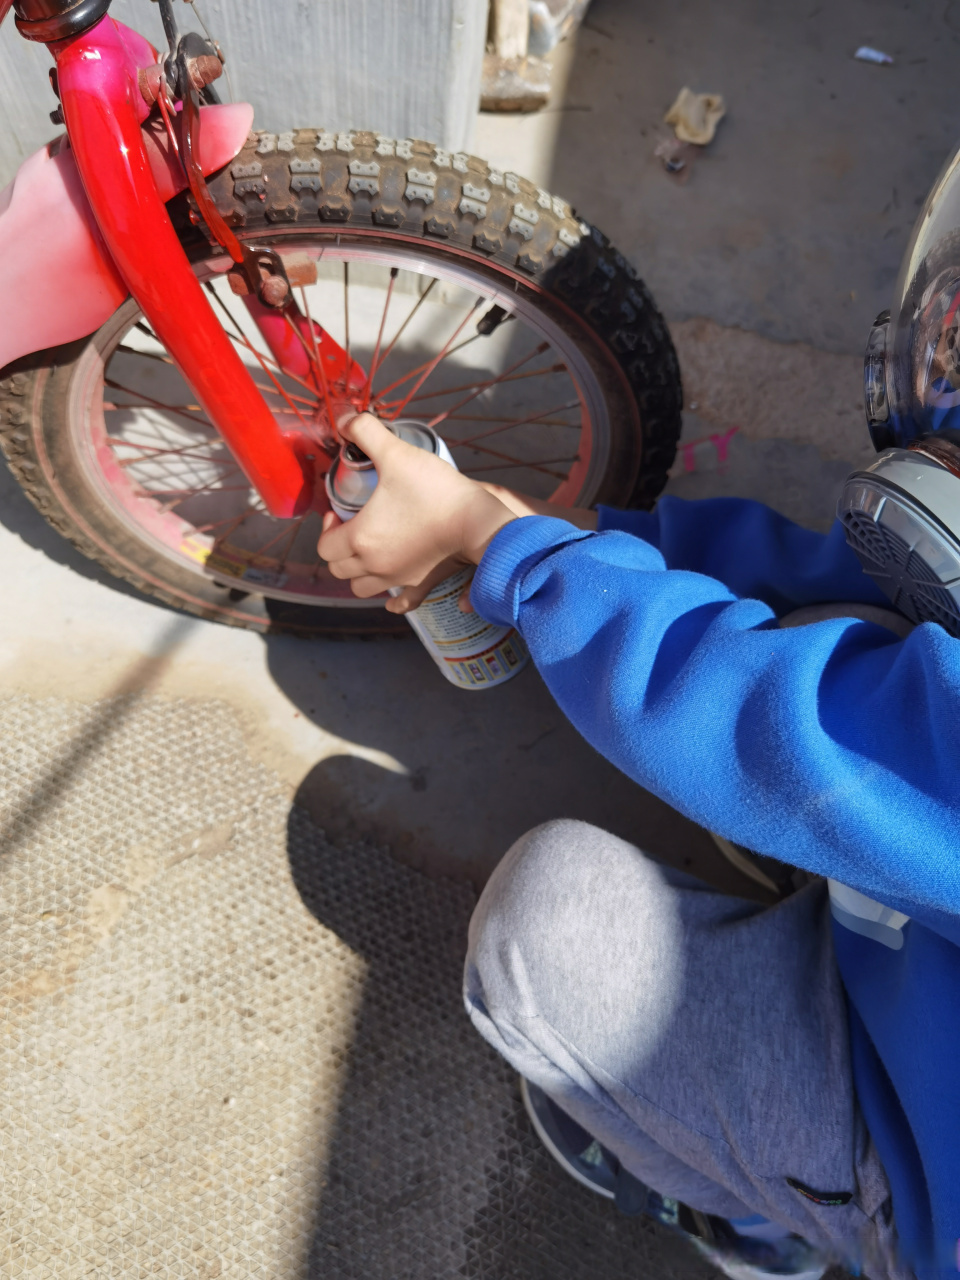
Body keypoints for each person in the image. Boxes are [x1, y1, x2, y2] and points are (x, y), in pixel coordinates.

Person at [318, 368, 960, 1279]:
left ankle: (775, 1231)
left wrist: (506, 548)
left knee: (548, 932)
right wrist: (564, 534)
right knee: (850, 623)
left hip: (916, 1155)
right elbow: (881, 581)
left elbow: (784, 726)